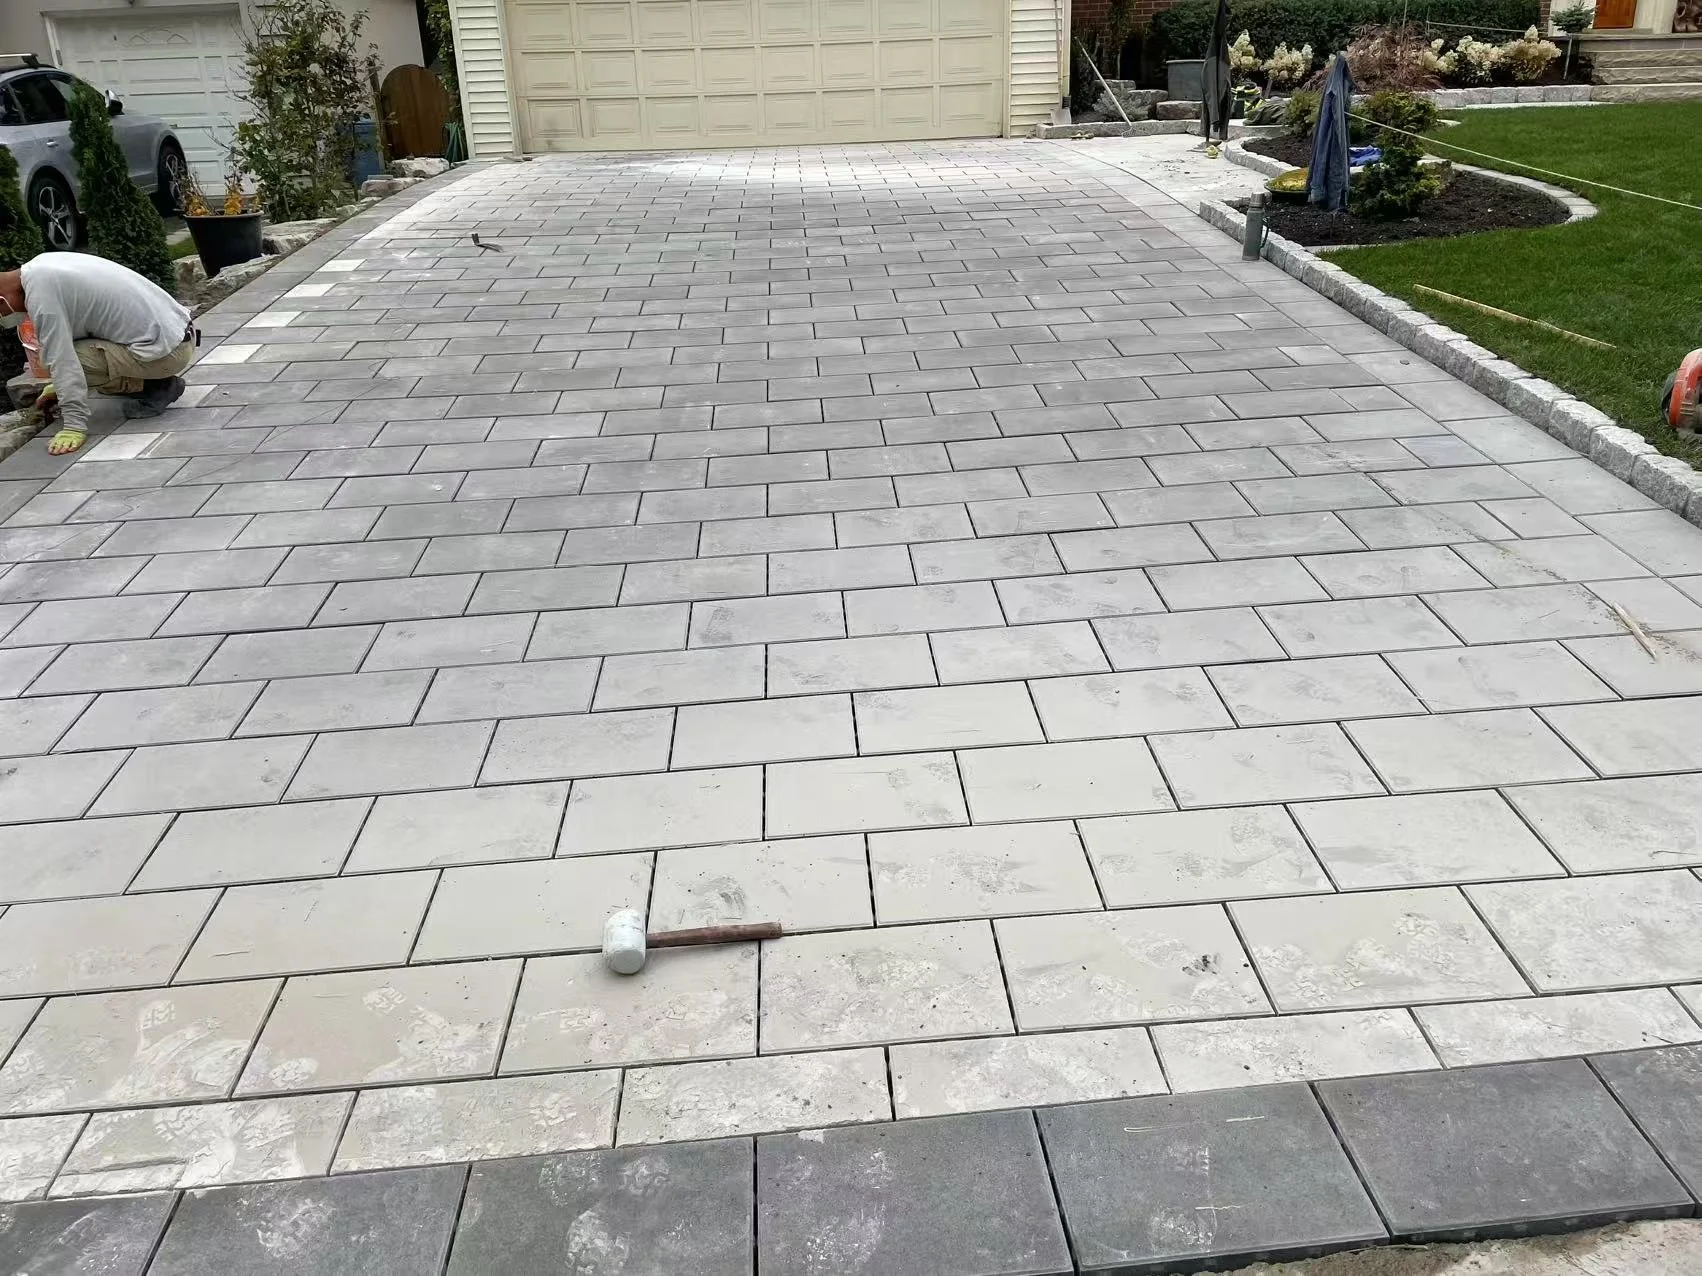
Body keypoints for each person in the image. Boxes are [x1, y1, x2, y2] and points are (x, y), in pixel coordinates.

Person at [0, 253, 194, 456]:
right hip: (178, 335)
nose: (5, 320)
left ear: (2, 300)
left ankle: (157, 386)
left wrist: (73, 427)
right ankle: (151, 381)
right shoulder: (40, 266)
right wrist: (59, 387)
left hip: (169, 353)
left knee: (59, 361)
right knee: (65, 363)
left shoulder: (42, 297)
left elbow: (62, 361)